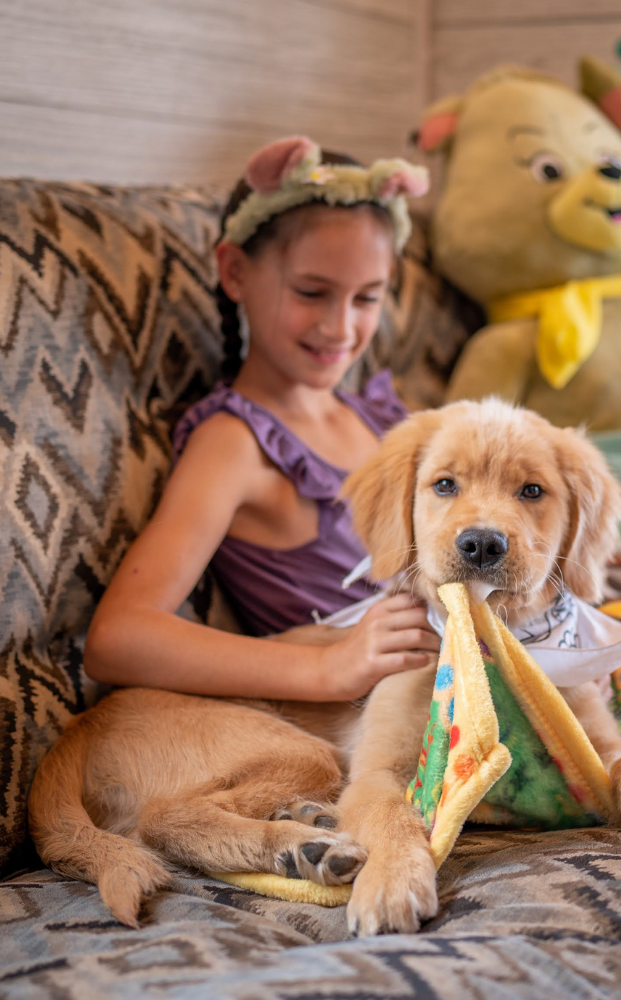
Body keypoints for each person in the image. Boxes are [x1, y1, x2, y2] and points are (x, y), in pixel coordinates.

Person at [84, 136, 440, 703]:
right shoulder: (235, 443)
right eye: (311, 292)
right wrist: (327, 668)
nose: (340, 328)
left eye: (367, 298)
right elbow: (117, 638)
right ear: (235, 272)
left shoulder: (382, 420)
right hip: (379, 724)